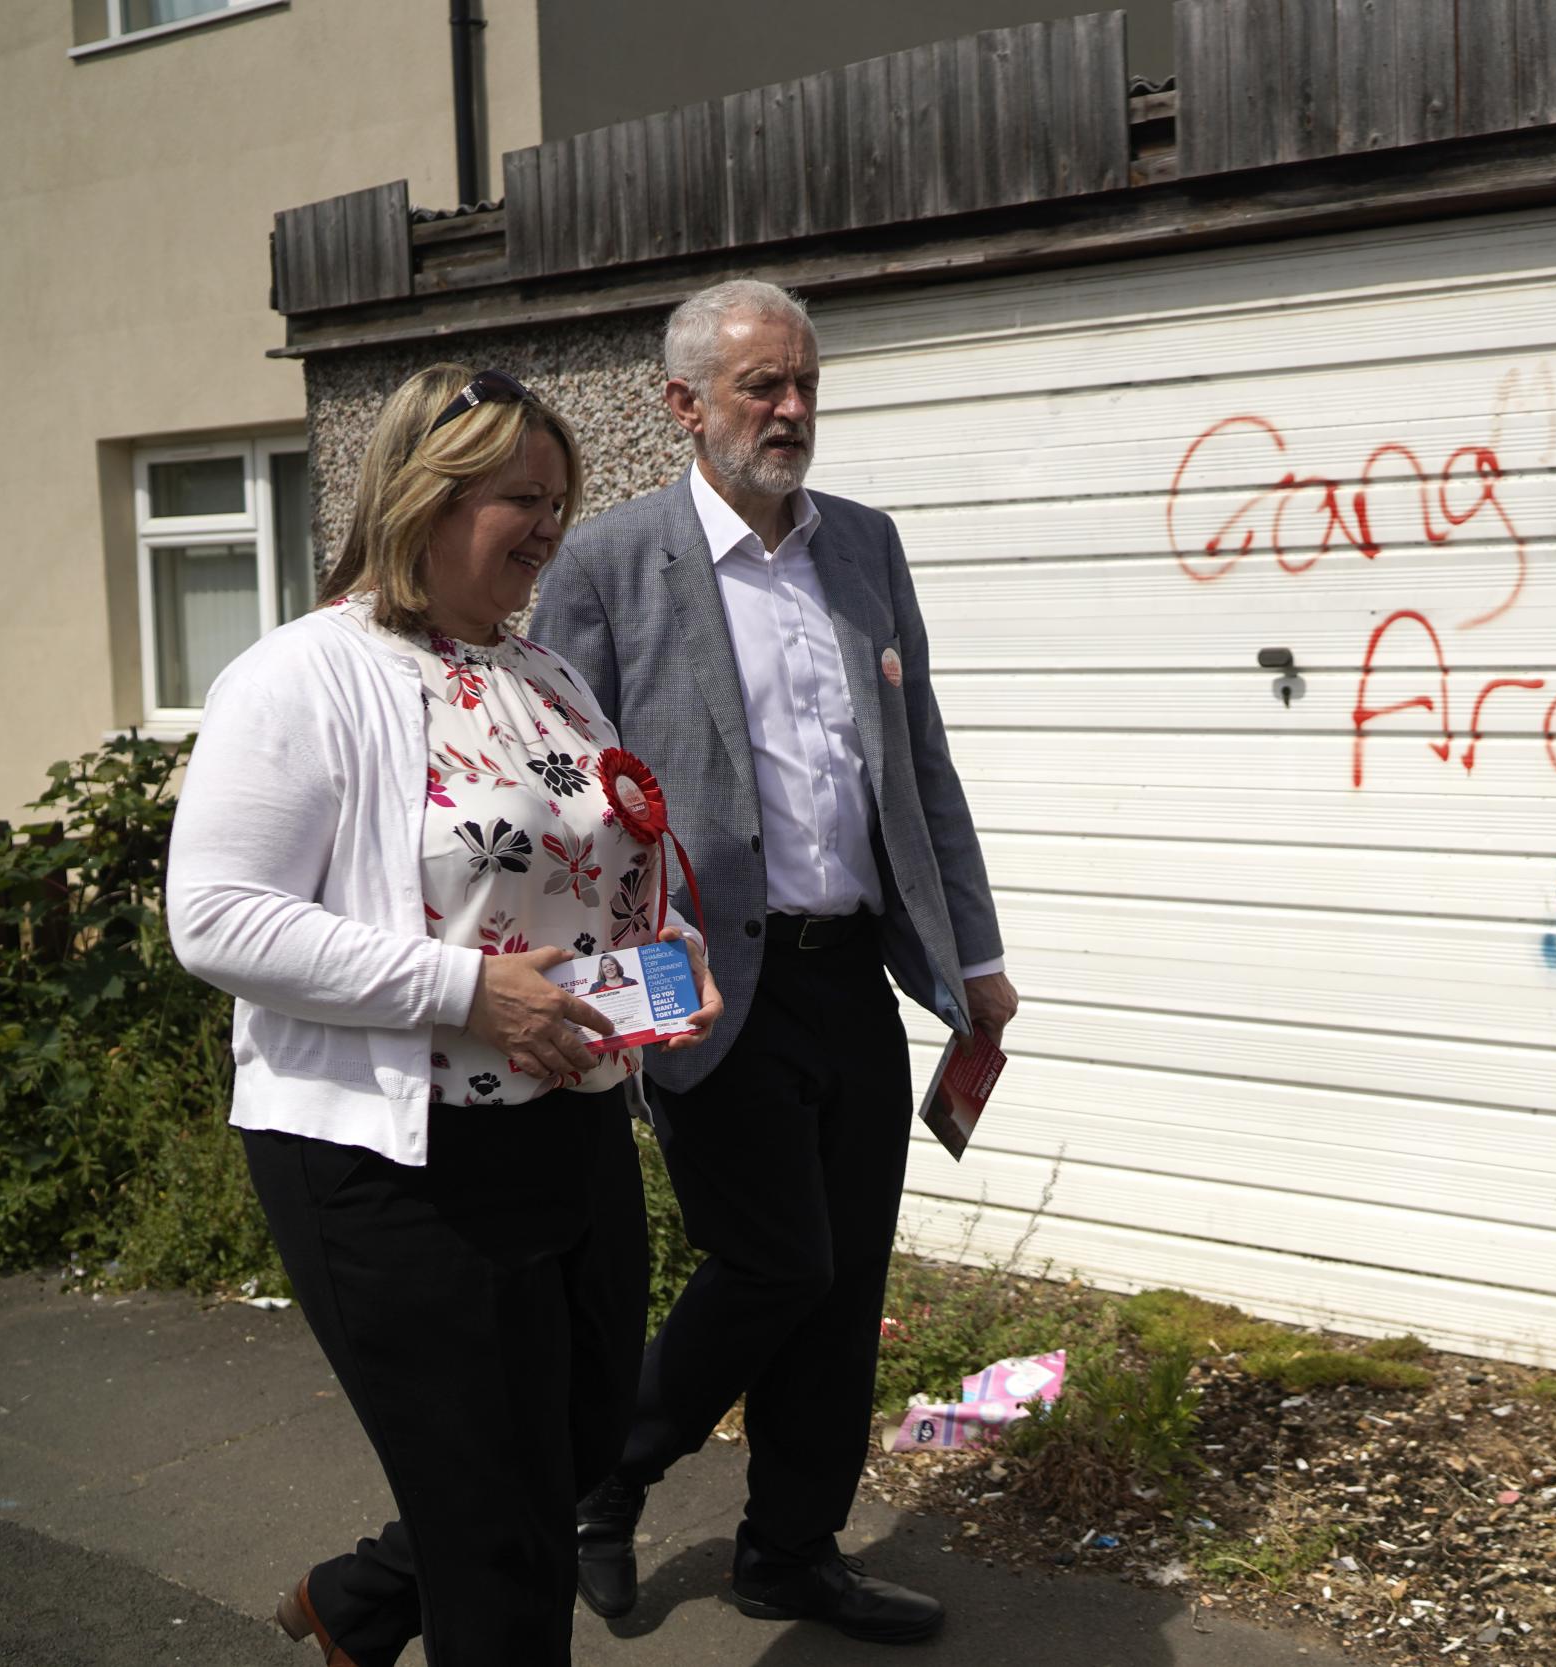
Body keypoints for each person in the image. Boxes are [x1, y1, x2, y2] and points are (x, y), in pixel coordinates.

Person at [167, 364, 722, 1667]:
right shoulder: (301, 676)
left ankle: (357, 1605)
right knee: (504, 1541)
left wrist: (660, 957)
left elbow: (601, 859)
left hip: (569, 1129)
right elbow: (218, 918)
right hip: (392, 1165)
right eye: (520, 498)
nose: (548, 526)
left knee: (580, 1444)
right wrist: (467, 992)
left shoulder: (545, 677)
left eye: (559, 500)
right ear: (426, 496)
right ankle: (411, 1599)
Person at [532, 278, 1016, 1643]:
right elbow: (566, 796)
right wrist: (593, 986)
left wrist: (970, 951)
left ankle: (791, 1549)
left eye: (805, 382)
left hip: (850, 969)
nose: (794, 410)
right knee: (776, 1262)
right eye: (763, 387)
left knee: (847, 1274)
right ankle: (602, 1480)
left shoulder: (864, 548)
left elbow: (922, 770)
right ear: (684, 405)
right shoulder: (609, 567)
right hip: (698, 984)